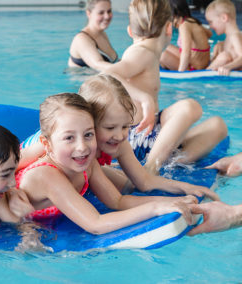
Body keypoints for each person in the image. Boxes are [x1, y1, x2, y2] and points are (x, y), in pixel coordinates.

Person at [16, 92, 197, 234]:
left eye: (88, 135)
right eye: (69, 138)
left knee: (125, 184)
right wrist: (156, 208)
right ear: (47, 144)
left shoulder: (87, 162)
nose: (82, 147)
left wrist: (174, 201)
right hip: (5, 219)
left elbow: (118, 201)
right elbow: (95, 224)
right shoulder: (45, 176)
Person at [20, 74, 219, 200]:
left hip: (85, 167)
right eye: (110, 127)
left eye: (125, 126)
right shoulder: (50, 144)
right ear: (90, 121)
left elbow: (144, 181)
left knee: (128, 186)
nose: (120, 135)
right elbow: (14, 162)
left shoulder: (119, 141)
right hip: (34, 161)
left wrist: (189, 188)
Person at [102, 0, 228, 174]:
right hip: (137, 138)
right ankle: (150, 168)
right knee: (190, 107)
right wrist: (144, 98)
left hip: (150, 135)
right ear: (169, 28)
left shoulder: (148, 53)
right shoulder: (141, 52)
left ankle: (169, 161)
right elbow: (106, 74)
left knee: (217, 125)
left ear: (130, 31)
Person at [160, 0, 212, 71]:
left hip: (194, 67)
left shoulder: (184, 26)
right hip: (200, 62)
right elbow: (210, 34)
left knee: (162, 56)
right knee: (164, 46)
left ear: (173, 15)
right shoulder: (192, 21)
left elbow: (186, 53)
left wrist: (181, 73)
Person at [68, 0, 119, 71]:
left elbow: (114, 63)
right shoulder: (81, 39)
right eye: (101, 13)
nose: (107, 16)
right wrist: (127, 69)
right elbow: (98, 65)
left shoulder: (102, 33)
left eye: (109, 11)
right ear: (89, 13)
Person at [205, 0, 242, 76]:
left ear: (224, 18)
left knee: (224, 56)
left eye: (211, 22)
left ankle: (205, 73)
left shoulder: (234, 36)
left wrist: (228, 67)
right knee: (219, 47)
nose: (210, 26)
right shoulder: (229, 37)